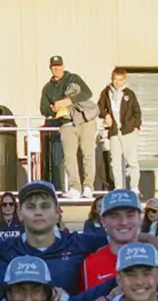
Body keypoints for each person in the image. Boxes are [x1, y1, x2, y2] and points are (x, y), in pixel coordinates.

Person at [39, 55, 99, 198]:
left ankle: (88, 186)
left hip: (85, 120)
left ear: (63, 66)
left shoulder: (74, 79)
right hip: (65, 123)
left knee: (88, 154)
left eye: (58, 66)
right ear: (50, 68)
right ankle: (75, 188)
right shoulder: (47, 88)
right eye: (53, 66)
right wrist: (54, 109)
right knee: (69, 156)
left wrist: (69, 101)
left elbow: (87, 93)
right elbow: (43, 109)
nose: (56, 69)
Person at [97, 67, 143, 197]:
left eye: (120, 80)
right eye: (115, 79)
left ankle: (134, 187)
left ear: (124, 80)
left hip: (128, 131)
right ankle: (118, 187)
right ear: (112, 79)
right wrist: (105, 115)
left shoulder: (129, 94)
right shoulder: (106, 92)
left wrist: (136, 126)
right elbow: (99, 107)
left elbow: (137, 111)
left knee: (131, 160)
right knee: (115, 161)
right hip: (114, 131)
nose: (117, 82)